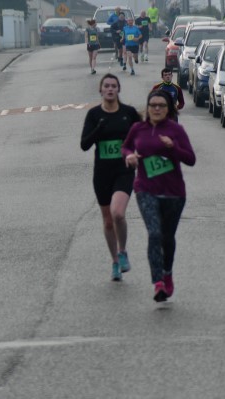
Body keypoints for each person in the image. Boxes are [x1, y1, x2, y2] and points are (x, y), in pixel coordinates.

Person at [122, 90, 196, 302]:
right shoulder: (138, 129)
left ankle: (167, 273)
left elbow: (190, 159)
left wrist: (173, 148)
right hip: (145, 189)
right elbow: (125, 147)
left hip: (174, 193)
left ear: (168, 109)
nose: (156, 109)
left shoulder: (176, 130)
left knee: (167, 237)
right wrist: (130, 156)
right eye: (152, 105)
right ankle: (158, 283)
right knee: (154, 234)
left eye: (161, 105)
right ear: (147, 108)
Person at [81, 74, 142, 281]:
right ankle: (115, 261)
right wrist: (99, 128)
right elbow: (84, 145)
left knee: (118, 213)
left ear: (118, 89)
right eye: (106, 86)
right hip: (102, 174)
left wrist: (136, 154)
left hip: (124, 170)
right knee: (108, 222)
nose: (110, 89)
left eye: (113, 86)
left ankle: (123, 251)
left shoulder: (129, 113)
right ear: (100, 90)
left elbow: (142, 137)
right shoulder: (93, 115)